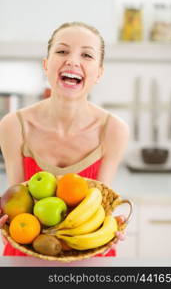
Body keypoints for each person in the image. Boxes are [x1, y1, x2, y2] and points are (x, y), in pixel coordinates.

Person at [0, 21, 129, 256]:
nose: (72, 60)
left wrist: (110, 228)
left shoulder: (113, 130)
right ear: (46, 65)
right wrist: (5, 221)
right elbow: (16, 207)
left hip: (90, 257)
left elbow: (101, 208)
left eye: (87, 55)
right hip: (26, 255)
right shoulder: (13, 125)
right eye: (62, 51)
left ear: (99, 73)